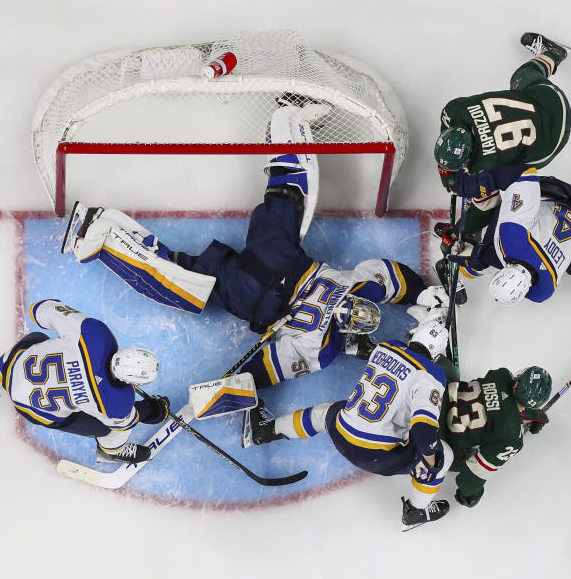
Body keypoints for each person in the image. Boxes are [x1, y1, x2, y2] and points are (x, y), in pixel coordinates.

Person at [63, 100, 428, 389]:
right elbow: (267, 370)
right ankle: (98, 235)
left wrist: (423, 296)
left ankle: (288, 117)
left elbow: (393, 276)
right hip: (248, 294)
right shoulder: (321, 349)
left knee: (289, 192)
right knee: (175, 279)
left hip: (279, 254)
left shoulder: (359, 285)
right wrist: (233, 386)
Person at [242, 315, 456, 530]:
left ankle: (265, 431)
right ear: (436, 356)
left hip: (343, 433)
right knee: (442, 455)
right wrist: (429, 460)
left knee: (323, 413)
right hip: (378, 456)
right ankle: (415, 511)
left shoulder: (386, 347)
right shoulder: (432, 375)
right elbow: (423, 431)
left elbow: (404, 355)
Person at [0, 299, 171, 463]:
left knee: (32, 345)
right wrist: (154, 410)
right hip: (32, 408)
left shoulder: (95, 334)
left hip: (17, 367)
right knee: (110, 429)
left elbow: (39, 309)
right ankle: (110, 452)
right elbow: (130, 419)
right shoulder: (117, 402)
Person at [436, 174, 571, 305]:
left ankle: (478, 205)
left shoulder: (542, 292)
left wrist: (466, 250)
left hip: (564, 207)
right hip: (550, 207)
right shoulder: (512, 237)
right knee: (476, 264)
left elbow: (521, 173)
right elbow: (522, 174)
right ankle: (480, 204)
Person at [434, 32, 571, 195]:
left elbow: (485, 195)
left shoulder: (483, 165)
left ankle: (555, 53)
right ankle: (552, 55)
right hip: (552, 100)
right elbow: (448, 126)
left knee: (516, 171)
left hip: (553, 142)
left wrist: (461, 184)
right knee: (520, 78)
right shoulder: (454, 109)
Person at [440, 365, 552, 509]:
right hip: (441, 440)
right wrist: (468, 496)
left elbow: (498, 403)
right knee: (469, 456)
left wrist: (527, 414)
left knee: (449, 371)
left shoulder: (501, 375)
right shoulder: (512, 438)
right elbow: (471, 478)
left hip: (432, 402)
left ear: (517, 383)